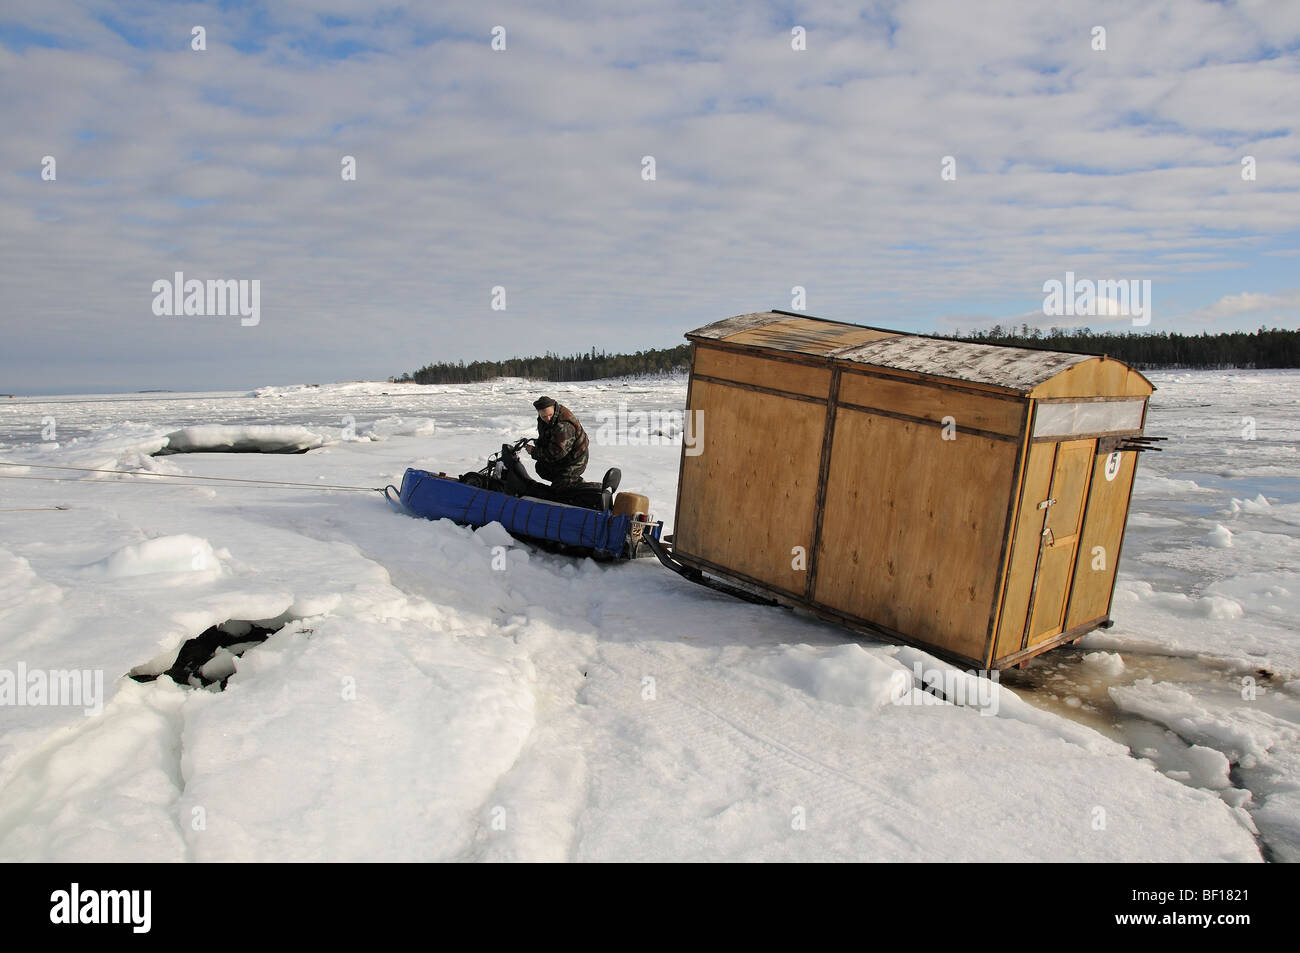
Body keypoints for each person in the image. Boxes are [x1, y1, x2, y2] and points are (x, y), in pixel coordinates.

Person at [527, 396, 620, 507]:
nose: (547, 418)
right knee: (542, 468)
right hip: (566, 456)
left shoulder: (563, 425)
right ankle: (569, 481)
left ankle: (587, 489)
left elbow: (557, 453)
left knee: (559, 490)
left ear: (554, 409)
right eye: (543, 416)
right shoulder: (548, 419)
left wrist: (534, 451)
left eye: (549, 415)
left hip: (576, 460)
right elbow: (550, 439)